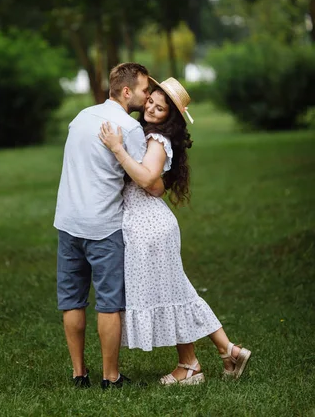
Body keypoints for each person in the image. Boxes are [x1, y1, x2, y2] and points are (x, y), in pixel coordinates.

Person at [99, 77, 251, 385]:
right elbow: (153, 185)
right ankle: (224, 352)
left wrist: (116, 149)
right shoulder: (148, 134)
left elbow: (145, 178)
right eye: (151, 102)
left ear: (172, 116)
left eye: (161, 107)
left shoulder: (158, 140)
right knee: (178, 293)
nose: (152, 109)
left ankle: (193, 365)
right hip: (148, 223)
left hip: (149, 226)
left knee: (174, 294)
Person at [54, 63, 164, 390]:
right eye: (145, 91)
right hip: (104, 225)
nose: (147, 99)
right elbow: (148, 180)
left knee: (72, 300)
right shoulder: (128, 129)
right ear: (127, 91)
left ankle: (78, 374)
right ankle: (110, 376)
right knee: (109, 303)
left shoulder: (81, 117)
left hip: (68, 221)